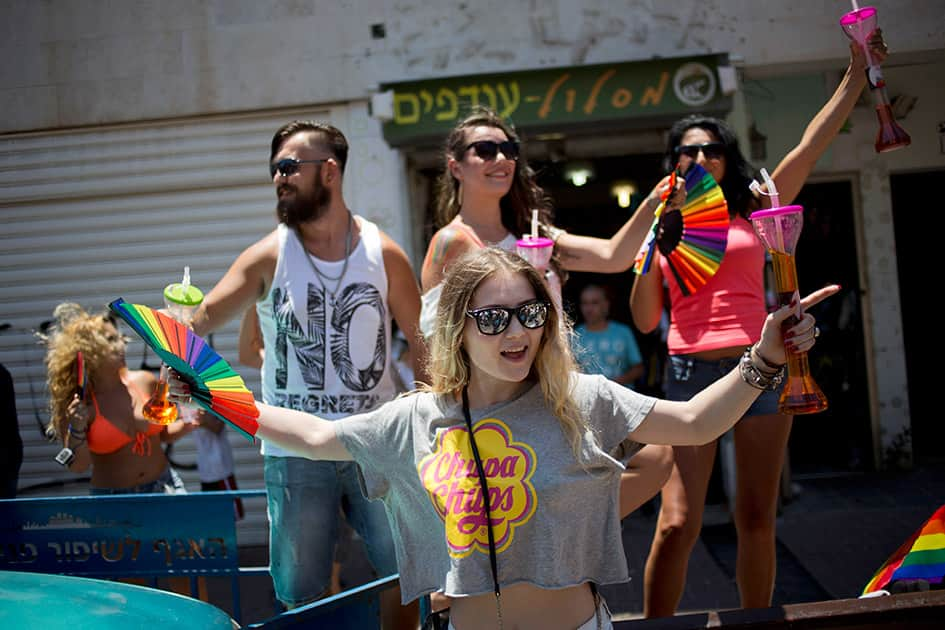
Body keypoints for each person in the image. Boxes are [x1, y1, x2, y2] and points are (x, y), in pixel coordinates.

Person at [172, 247, 831, 630]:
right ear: (457, 329)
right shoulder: (416, 417)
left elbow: (695, 424)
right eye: (491, 318)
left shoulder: (582, 399)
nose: (514, 332)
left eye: (529, 313)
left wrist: (764, 357)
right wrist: (211, 389)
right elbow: (315, 436)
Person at [629, 32, 889, 617]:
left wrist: (855, 73)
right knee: (676, 523)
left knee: (755, 516)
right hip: (687, 372)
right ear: (674, 162)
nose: (701, 160)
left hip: (761, 368)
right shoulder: (663, 224)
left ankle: (756, 623)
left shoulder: (753, 205)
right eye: (689, 152)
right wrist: (651, 245)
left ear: (728, 155)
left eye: (713, 149)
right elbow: (646, 318)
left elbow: (809, 148)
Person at [189, 121, 426, 626]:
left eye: (289, 166)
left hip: (376, 444)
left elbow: (425, 344)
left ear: (330, 172)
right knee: (302, 591)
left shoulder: (383, 254)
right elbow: (201, 318)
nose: (279, 178)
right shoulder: (269, 255)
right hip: (294, 450)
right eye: (274, 169)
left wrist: (429, 427)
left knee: (404, 573)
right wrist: (173, 345)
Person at [420, 106, 680, 520]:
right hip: (502, 400)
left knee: (655, 458)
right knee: (651, 455)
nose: (501, 158)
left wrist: (653, 201)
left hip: (557, 387)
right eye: (485, 149)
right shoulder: (452, 242)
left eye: (509, 148)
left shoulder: (535, 235)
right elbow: (435, 338)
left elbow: (614, 256)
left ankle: (567, 533)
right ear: (456, 166)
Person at [43, 303, 195, 494]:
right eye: (111, 339)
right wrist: (77, 429)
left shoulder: (144, 381)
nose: (122, 343)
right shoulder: (79, 404)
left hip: (165, 487)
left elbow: (163, 435)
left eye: (119, 337)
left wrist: (189, 424)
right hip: (114, 501)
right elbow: (78, 466)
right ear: (90, 351)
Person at [573, 284, 644, 388]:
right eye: (585, 303)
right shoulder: (574, 334)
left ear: (606, 305)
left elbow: (638, 368)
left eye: (594, 302)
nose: (589, 308)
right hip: (586, 398)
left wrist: (613, 385)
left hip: (621, 397)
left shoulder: (623, 332)